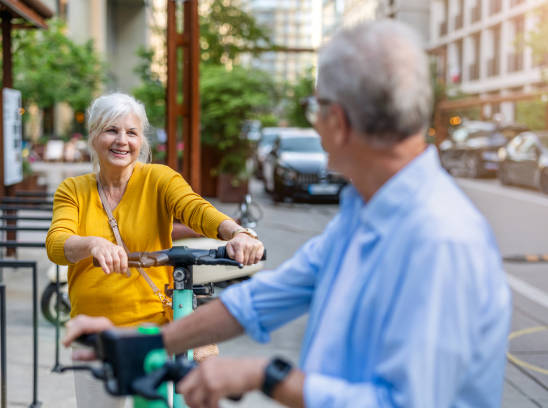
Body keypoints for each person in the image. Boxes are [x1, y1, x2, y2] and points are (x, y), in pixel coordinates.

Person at [64, 21, 511, 408]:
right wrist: (146, 344)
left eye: (314, 109)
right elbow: (268, 297)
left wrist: (264, 376)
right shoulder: (364, 214)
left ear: (338, 120)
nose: (313, 125)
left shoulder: (439, 239)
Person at [46, 92, 264, 408]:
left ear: (141, 141)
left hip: (154, 333)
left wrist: (238, 233)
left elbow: (195, 209)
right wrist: (93, 243)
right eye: (111, 130)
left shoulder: (158, 179)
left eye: (131, 132)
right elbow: (56, 243)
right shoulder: (73, 190)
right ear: (94, 136)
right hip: (96, 335)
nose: (122, 140)